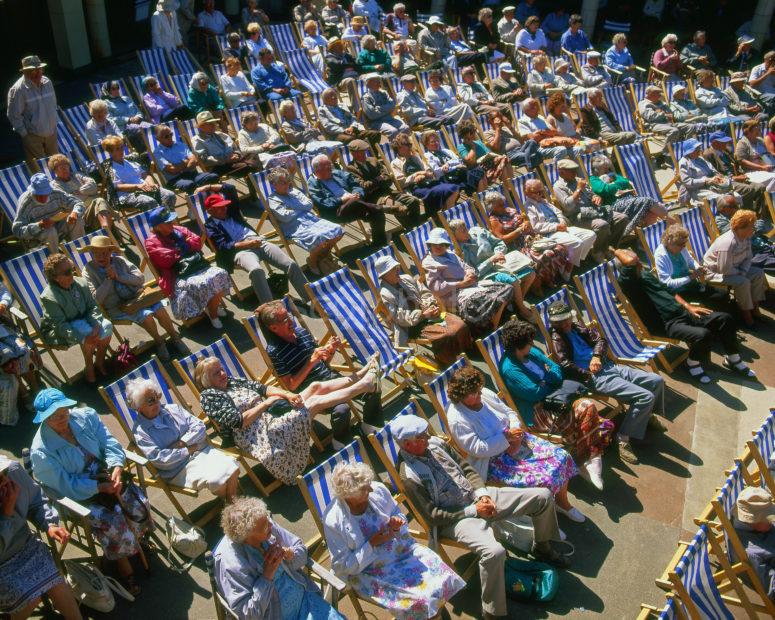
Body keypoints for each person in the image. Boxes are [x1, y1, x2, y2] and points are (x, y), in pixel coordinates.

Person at [394, 414, 568, 620]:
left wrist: (482, 495)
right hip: (456, 519)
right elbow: (432, 516)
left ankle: (542, 547)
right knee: (494, 552)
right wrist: (475, 511)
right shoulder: (409, 475)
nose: (427, 437)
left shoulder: (436, 444)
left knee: (543, 497)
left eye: (425, 433)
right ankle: (492, 612)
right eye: (421, 436)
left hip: (476, 497)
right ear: (407, 444)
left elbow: (468, 469)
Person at [30, 389, 153, 595]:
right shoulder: (41, 451)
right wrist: (97, 487)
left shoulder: (84, 417)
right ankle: (124, 566)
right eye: (54, 417)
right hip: (79, 497)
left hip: (106, 476)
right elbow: (64, 486)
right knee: (113, 521)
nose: (62, 419)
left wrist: (116, 466)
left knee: (138, 501)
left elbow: (109, 442)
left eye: (64, 412)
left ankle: (134, 544)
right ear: (44, 419)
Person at [198, 345, 376, 477]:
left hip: (271, 417)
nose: (222, 374)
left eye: (221, 369)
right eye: (216, 373)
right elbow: (239, 421)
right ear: (206, 380)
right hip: (260, 435)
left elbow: (263, 388)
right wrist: (266, 404)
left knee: (314, 387)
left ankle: (360, 375)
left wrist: (288, 395)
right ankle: (365, 386)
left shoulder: (232, 382)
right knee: (313, 402)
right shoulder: (209, 397)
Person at [322, 461, 465, 618]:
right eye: (364, 489)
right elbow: (342, 565)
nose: (370, 489)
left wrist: (396, 524)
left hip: (401, 550)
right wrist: (372, 543)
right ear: (348, 495)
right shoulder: (334, 520)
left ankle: (435, 611)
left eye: (368, 484)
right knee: (418, 600)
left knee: (441, 573)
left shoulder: (377, 489)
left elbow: (398, 514)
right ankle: (432, 613)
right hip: (370, 571)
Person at [445, 365, 584, 521]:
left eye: (479, 390)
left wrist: (515, 433)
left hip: (517, 439)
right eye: (474, 394)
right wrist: (507, 439)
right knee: (542, 478)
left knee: (562, 456)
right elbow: (478, 449)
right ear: (460, 395)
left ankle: (562, 503)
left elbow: (509, 412)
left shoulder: (485, 395)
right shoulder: (457, 419)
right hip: (493, 460)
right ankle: (544, 516)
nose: (479, 395)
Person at [547, 301, 666, 466]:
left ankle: (646, 416)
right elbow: (565, 365)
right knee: (645, 397)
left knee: (657, 380)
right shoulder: (557, 339)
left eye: (567, 318)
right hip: (595, 377)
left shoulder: (576, 327)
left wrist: (596, 356)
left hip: (609, 366)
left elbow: (601, 340)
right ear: (554, 323)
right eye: (560, 321)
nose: (566, 323)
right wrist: (588, 373)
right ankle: (623, 438)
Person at [615, 248, 753, 383]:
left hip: (682, 313)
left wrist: (689, 306)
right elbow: (630, 260)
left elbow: (668, 290)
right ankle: (691, 363)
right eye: (637, 262)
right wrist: (613, 250)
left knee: (725, 319)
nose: (640, 263)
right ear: (626, 267)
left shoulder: (644, 274)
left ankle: (733, 359)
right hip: (666, 324)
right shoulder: (627, 282)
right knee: (702, 335)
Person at [258, 300, 381, 445]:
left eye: (289, 315)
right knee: (342, 409)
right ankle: (340, 442)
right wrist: (312, 361)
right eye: (285, 319)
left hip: (331, 378)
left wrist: (330, 351)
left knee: (373, 387)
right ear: (273, 328)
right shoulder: (274, 351)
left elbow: (323, 363)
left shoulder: (302, 333)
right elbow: (290, 386)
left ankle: (367, 426)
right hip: (313, 392)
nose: (290, 320)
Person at [215, 497, 345, 619]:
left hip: (307, 600)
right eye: (266, 526)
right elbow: (248, 614)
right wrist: (267, 576)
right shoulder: (231, 564)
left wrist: (290, 555)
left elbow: (301, 551)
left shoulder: (266, 525)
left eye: (268, 520)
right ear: (248, 535)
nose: (271, 525)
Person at [128, 378, 239, 500]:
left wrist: (182, 443)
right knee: (219, 480)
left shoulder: (172, 409)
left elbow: (199, 427)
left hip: (201, 452)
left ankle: (232, 506)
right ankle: (236, 506)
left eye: (157, 396)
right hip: (179, 469)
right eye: (150, 400)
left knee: (233, 468)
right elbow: (161, 460)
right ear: (138, 407)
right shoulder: (141, 433)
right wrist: (188, 449)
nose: (157, 402)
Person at [0, 455, 82, 620]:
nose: (3, 480)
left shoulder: (14, 471)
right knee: (32, 596)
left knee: (56, 583)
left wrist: (48, 524)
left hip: (26, 546)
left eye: (3, 472)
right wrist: (7, 514)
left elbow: (36, 502)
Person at [81, 235, 187, 361]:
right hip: (118, 308)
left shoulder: (120, 261)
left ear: (110, 252)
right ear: (92, 253)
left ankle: (175, 338)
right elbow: (96, 299)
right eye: (96, 253)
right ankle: (160, 342)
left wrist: (119, 277)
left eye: (104, 252)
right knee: (146, 315)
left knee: (159, 309)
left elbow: (140, 278)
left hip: (138, 297)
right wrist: (108, 280)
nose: (101, 257)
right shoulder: (88, 271)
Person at [204, 192, 310, 306]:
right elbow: (223, 247)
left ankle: (311, 299)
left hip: (257, 241)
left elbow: (230, 189)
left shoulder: (232, 212)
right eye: (219, 208)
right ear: (210, 211)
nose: (224, 209)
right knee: (256, 271)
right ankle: (271, 309)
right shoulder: (210, 226)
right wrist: (248, 244)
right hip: (240, 251)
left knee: (290, 264)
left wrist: (208, 188)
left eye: (224, 206)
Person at [375, 255, 471, 365]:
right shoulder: (385, 294)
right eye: (393, 270)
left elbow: (424, 292)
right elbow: (400, 318)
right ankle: (448, 362)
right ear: (384, 276)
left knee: (461, 324)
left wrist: (430, 304)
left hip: (429, 313)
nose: (397, 270)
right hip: (413, 325)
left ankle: (464, 352)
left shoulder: (406, 278)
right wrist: (422, 314)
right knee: (447, 334)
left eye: (397, 267)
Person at [144, 206, 231, 326]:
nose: (171, 223)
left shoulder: (178, 229)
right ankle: (213, 313)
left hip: (198, 266)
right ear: (158, 226)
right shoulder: (151, 242)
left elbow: (197, 242)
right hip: (178, 275)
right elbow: (166, 260)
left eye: (171, 220)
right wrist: (184, 245)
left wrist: (179, 248)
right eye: (167, 222)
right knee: (202, 283)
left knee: (221, 273)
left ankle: (211, 306)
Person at [498, 318, 587, 428]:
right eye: (529, 342)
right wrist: (551, 378)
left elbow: (555, 367)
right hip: (537, 411)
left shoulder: (531, 352)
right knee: (585, 410)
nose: (532, 343)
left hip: (555, 398)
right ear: (518, 347)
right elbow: (535, 394)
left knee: (586, 408)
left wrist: (544, 381)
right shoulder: (510, 370)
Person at [423, 227, 514, 332]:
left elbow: (466, 266)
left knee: (507, 288)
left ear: (446, 245)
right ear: (430, 245)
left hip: (471, 286)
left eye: (442, 244)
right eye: (435, 244)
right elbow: (436, 288)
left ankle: (494, 323)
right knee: (489, 298)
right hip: (456, 294)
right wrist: (461, 283)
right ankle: (494, 327)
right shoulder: (429, 262)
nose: (438, 247)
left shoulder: (451, 254)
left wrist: (470, 273)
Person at [40, 253, 112, 383]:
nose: (72, 273)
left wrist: (96, 324)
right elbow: (60, 326)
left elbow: (92, 306)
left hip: (83, 319)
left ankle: (99, 361)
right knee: (85, 330)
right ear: (56, 278)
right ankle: (89, 366)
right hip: (61, 331)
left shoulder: (81, 283)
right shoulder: (49, 297)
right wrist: (84, 337)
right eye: (67, 272)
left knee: (106, 325)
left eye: (72, 269)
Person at [448, 218, 536, 321]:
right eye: (462, 230)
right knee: (513, 281)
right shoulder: (459, 252)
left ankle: (517, 303)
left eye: (465, 228)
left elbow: (499, 243)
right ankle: (522, 310)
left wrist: (498, 253)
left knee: (531, 274)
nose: (466, 231)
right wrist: (491, 260)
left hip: (500, 263)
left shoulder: (478, 231)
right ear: (454, 236)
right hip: (486, 274)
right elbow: (474, 273)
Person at [484, 191, 572, 292]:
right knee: (547, 254)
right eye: (500, 205)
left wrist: (526, 223)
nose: (503, 206)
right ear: (492, 208)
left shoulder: (509, 210)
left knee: (560, 248)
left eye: (503, 202)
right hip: (519, 248)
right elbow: (503, 239)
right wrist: (519, 230)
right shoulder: (494, 220)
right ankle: (543, 281)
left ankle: (549, 277)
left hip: (533, 239)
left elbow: (525, 221)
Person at [266, 166, 344, 276]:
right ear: (274, 185)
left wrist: (292, 208)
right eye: (283, 182)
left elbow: (309, 204)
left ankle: (323, 254)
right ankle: (312, 262)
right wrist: (300, 206)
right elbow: (285, 217)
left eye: (288, 181)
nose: (287, 184)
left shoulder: (294, 192)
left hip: (312, 220)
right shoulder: (273, 200)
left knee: (338, 230)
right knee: (319, 238)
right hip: (295, 227)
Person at [703, 209, 770, 326]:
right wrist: (741, 273)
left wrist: (743, 271)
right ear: (741, 227)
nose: (753, 229)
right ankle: (747, 315)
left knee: (758, 273)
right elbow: (724, 269)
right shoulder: (728, 243)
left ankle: (755, 308)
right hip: (716, 273)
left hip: (736, 268)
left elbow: (748, 257)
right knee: (743, 282)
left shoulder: (746, 237)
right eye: (751, 227)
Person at [553, 159, 629, 260]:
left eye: (575, 170)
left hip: (593, 211)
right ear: (561, 172)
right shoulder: (558, 186)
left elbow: (592, 194)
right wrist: (579, 189)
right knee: (602, 225)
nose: (575, 173)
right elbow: (568, 206)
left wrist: (596, 197)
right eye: (571, 171)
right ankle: (597, 252)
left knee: (622, 218)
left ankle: (609, 247)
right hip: (578, 217)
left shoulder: (578, 180)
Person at [307, 153, 387, 247]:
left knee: (377, 214)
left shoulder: (336, 173)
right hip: (335, 213)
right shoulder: (313, 185)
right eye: (327, 168)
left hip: (354, 206)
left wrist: (357, 194)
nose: (330, 169)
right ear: (317, 170)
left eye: (330, 166)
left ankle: (378, 245)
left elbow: (355, 184)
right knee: (360, 204)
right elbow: (324, 204)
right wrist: (342, 199)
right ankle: (378, 207)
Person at [653, 224, 730, 311]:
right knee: (716, 300)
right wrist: (690, 277)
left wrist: (698, 268)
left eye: (685, 244)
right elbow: (667, 284)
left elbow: (690, 260)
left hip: (692, 285)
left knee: (723, 294)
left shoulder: (680, 247)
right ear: (669, 242)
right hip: (680, 293)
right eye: (681, 244)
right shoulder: (661, 256)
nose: (684, 247)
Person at [346, 139, 421, 226]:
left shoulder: (373, 160)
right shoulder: (351, 169)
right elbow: (364, 187)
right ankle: (410, 228)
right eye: (360, 152)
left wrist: (375, 182)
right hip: (373, 197)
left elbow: (388, 178)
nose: (363, 154)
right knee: (399, 208)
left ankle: (416, 225)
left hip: (387, 190)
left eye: (364, 151)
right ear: (353, 153)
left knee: (413, 201)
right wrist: (378, 179)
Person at [589, 153, 670, 234]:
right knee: (649, 201)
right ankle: (674, 225)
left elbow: (626, 182)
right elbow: (605, 189)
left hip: (628, 200)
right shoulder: (593, 179)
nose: (607, 170)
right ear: (596, 169)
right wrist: (616, 184)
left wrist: (613, 184)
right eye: (604, 168)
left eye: (607, 167)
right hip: (614, 205)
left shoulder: (611, 175)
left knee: (649, 213)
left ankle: (648, 238)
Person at [523, 179, 596, 267]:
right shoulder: (529, 206)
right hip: (549, 233)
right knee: (577, 242)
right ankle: (570, 268)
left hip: (561, 227)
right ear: (527, 193)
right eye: (537, 192)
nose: (541, 194)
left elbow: (558, 212)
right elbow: (536, 227)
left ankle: (575, 262)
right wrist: (556, 226)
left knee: (591, 235)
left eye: (542, 191)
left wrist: (562, 222)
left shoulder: (543, 201)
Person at [390, 133, 460, 218]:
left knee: (454, 189)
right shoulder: (395, 163)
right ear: (399, 148)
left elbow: (429, 172)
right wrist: (418, 174)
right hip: (417, 188)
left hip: (429, 183)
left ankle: (445, 215)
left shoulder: (415, 157)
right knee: (451, 190)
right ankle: (448, 217)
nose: (410, 146)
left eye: (410, 144)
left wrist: (425, 174)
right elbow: (402, 182)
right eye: (407, 144)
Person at [12, 172, 84, 252]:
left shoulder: (55, 193)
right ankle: (57, 260)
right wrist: (39, 225)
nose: (43, 198)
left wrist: (75, 213)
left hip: (59, 227)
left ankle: (80, 253)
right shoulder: (25, 203)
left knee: (77, 220)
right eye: (39, 195)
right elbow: (17, 230)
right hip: (39, 235)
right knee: (50, 231)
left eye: (45, 194)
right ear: (33, 192)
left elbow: (78, 203)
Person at [103, 135, 176, 212]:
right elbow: (118, 186)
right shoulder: (109, 168)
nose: (122, 150)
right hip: (128, 195)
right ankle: (161, 221)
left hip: (145, 188)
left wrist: (151, 184)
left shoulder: (131, 160)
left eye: (122, 147)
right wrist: (138, 186)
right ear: (111, 152)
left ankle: (167, 218)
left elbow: (145, 174)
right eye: (117, 149)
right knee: (149, 202)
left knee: (169, 195)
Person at [7, 55, 58, 165]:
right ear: (25, 72)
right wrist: (25, 135)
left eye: (39, 69)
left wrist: (54, 124)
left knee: (57, 164)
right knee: (41, 167)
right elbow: (13, 115)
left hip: (51, 133)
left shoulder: (47, 82)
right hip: (33, 135)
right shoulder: (18, 90)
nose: (37, 73)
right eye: (32, 71)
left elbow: (53, 104)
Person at [703, 131, 767, 214]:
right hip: (726, 182)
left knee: (761, 187)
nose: (726, 143)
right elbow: (715, 174)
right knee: (748, 189)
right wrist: (734, 178)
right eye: (723, 142)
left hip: (736, 177)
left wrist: (741, 175)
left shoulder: (726, 151)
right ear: (715, 143)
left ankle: (758, 214)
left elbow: (736, 165)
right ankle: (746, 214)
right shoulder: (708, 154)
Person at [0, 281, 40, 413]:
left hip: (5, 329)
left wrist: (3, 303)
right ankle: (24, 394)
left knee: (23, 350)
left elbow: (4, 292)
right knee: (7, 357)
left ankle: (35, 389)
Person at [733, 486, 775, 602]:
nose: (772, 520)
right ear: (752, 521)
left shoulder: (762, 526)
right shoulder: (751, 553)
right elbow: (772, 588)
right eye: (768, 518)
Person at [153, 123, 222, 194]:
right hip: (175, 179)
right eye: (166, 136)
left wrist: (181, 166)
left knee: (213, 176)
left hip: (192, 174)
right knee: (190, 185)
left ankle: (213, 200)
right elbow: (172, 170)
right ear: (158, 139)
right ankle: (199, 202)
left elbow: (194, 160)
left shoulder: (180, 145)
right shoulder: (157, 153)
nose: (170, 137)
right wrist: (186, 162)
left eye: (171, 134)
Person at [715, 195, 775, 273]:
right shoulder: (720, 221)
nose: (737, 208)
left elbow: (760, 223)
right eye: (734, 206)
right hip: (754, 253)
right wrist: (752, 227)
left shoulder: (738, 214)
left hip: (764, 245)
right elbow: (737, 234)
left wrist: (751, 227)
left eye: (737, 205)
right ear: (723, 208)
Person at [192, 111, 257, 178]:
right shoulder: (197, 140)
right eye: (210, 123)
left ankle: (256, 185)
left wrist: (237, 154)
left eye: (214, 122)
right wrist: (225, 160)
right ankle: (255, 187)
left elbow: (235, 148)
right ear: (201, 126)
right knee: (251, 166)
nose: (214, 124)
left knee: (255, 156)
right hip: (218, 166)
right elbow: (204, 160)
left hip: (234, 161)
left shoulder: (221, 134)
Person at [421, 130, 486, 194]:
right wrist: (455, 167)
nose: (436, 143)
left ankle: (480, 197)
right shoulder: (428, 156)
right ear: (426, 144)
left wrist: (448, 163)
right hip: (447, 179)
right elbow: (438, 171)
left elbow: (459, 160)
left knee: (479, 172)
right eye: (433, 142)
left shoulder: (446, 151)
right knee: (476, 175)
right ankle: (479, 197)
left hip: (460, 173)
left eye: (437, 140)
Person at [318, 88, 382, 148]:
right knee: (351, 139)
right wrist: (344, 130)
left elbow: (353, 118)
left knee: (375, 134)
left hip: (352, 130)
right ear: (325, 100)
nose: (335, 98)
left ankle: (372, 155)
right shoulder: (322, 110)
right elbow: (328, 126)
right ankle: (358, 157)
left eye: (335, 96)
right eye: (332, 96)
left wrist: (352, 127)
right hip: (337, 134)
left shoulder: (342, 105)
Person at [678, 137, 734, 206]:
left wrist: (717, 176)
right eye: (697, 149)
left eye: (699, 148)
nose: (699, 150)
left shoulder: (700, 159)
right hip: (697, 190)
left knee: (734, 194)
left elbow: (713, 170)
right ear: (690, 151)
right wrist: (706, 180)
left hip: (712, 185)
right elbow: (687, 182)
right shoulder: (684, 163)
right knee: (724, 199)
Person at [637, 84, 695, 150]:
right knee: (674, 131)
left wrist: (660, 112)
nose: (660, 95)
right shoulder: (644, 103)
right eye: (658, 93)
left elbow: (670, 113)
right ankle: (666, 152)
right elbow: (650, 116)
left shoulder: (661, 102)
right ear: (651, 94)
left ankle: (687, 147)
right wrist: (663, 114)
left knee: (690, 127)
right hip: (654, 125)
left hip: (668, 123)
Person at [361, 73, 409, 138]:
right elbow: (372, 115)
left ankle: (403, 145)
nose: (378, 83)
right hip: (376, 123)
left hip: (389, 119)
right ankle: (394, 146)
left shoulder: (384, 93)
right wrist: (387, 109)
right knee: (393, 131)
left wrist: (378, 109)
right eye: (375, 82)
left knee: (405, 128)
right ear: (368, 84)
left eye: (378, 81)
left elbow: (392, 105)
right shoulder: (366, 98)